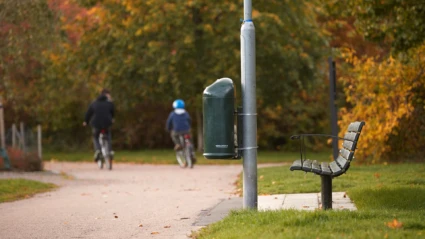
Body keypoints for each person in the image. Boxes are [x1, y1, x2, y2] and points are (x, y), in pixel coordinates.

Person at [83, 89, 115, 161]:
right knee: (108, 136)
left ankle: (98, 150)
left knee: (95, 137)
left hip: (96, 123)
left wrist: (85, 121)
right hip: (107, 123)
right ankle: (109, 151)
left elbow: (88, 113)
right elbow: (112, 113)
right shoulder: (110, 103)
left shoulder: (94, 103)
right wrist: (112, 119)